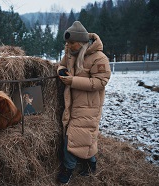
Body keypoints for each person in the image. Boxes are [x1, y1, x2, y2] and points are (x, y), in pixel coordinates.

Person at [57, 21, 111, 184]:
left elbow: (101, 81)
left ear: (80, 42)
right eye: (67, 43)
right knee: (83, 137)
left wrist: (73, 81)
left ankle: (68, 168)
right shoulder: (71, 53)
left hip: (89, 105)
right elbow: (61, 65)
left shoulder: (99, 58)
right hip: (72, 103)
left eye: (71, 43)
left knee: (74, 137)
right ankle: (90, 164)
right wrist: (61, 70)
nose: (69, 46)